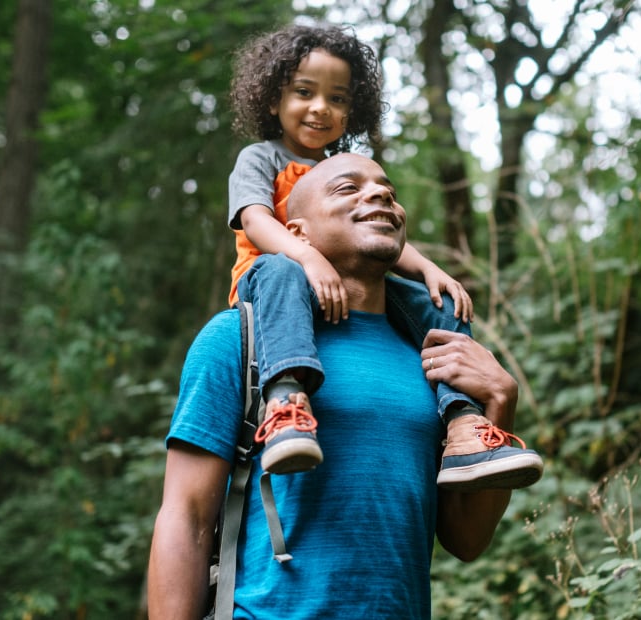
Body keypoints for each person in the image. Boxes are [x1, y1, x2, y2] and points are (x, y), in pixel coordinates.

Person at [147, 153, 532, 618]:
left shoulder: (439, 355)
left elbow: (466, 540)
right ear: (298, 234)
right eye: (348, 188)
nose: (381, 194)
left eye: (387, 189)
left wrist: (499, 402)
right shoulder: (237, 339)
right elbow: (185, 518)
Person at [225, 23, 541, 488]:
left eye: (337, 99)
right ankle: (287, 401)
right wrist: (307, 257)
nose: (320, 108)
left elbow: (378, 236)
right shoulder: (261, 158)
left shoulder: (345, 166)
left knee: (438, 303)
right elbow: (255, 221)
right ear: (273, 100)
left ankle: (463, 425)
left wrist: (430, 270)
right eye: (304, 92)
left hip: (346, 286)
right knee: (279, 268)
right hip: (275, 284)